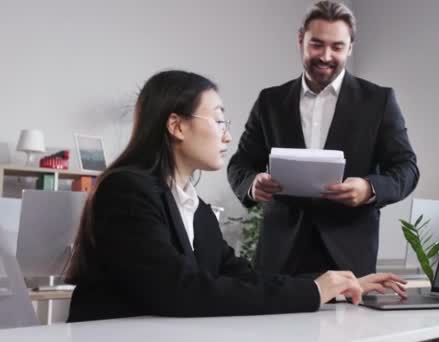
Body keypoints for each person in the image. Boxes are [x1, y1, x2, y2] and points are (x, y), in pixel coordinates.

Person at [65, 70, 405, 322]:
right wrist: (314, 290)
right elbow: (181, 291)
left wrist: (335, 284)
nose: (227, 136)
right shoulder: (127, 191)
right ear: (177, 126)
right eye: (218, 121)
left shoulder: (193, 206)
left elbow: (240, 276)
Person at [227, 1, 419, 277]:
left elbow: (407, 169)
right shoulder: (270, 101)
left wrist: (368, 189)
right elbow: (239, 165)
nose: (326, 56)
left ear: (350, 47)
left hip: (350, 256)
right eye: (317, 44)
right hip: (281, 254)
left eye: (337, 47)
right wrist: (252, 184)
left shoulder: (378, 101)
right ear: (300, 40)